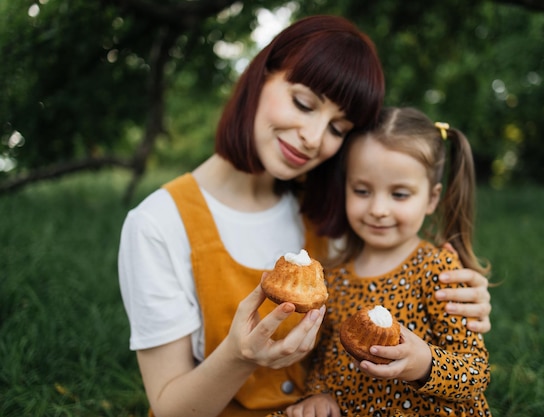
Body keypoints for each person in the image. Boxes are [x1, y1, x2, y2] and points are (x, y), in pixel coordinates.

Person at [117, 15, 492, 417]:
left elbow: (395, 281)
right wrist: (240, 356)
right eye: (303, 103)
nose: (313, 139)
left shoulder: (331, 211)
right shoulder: (158, 225)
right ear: (259, 75)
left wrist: (466, 298)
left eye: (337, 128)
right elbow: (169, 409)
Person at [278, 107, 491, 417]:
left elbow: (476, 374)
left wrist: (425, 363)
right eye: (362, 191)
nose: (378, 209)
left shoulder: (440, 271)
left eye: (400, 194)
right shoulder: (333, 277)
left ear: (431, 199)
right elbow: (324, 359)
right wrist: (319, 394)